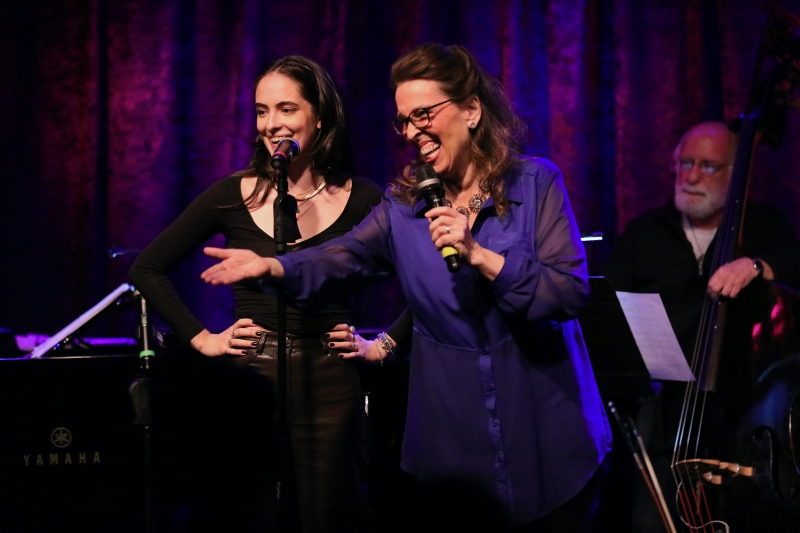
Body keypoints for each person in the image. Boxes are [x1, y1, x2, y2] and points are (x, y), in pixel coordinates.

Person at [199, 43, 612, 532]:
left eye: (424, 115)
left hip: (546, 430)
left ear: (472, 109)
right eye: (404, 121)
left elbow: (567, 292)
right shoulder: (404, 207)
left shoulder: (536, 183)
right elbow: (343, 255)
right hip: (454, 443)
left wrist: (479, 255)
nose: (414, 132)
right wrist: (274, 267)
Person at [128, 55, 384, 532]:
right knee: (250, 514)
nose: (271, 124)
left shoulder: (364, 197)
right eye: (262, 111)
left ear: (320, 117)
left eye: (286, 109)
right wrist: (203, 338)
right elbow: (149, 267)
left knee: (333, 516)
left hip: (330, 380)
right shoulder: (233, 193)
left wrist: (383, 344)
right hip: (252, 380)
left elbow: (427, 276)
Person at [602, 121, 800, 531]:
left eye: (708, 166)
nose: (690, 176)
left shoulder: (764, 226)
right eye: (685, 163)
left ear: (737, 173)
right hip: (662, 412)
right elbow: (611, 317)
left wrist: (757, 265)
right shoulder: (643, 235)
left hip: (746, 410)